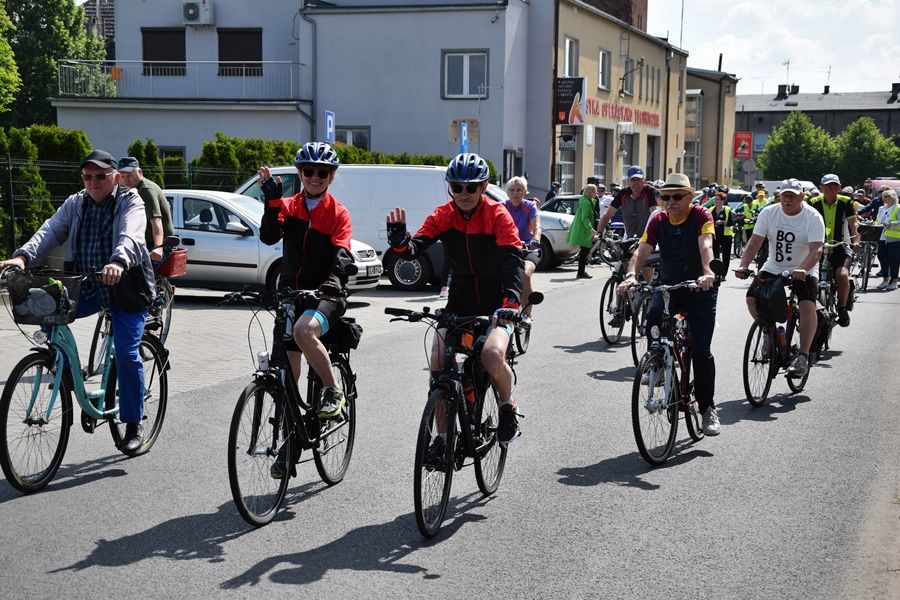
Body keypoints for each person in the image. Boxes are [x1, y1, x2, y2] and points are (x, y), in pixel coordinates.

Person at [0, 150, 154, 453]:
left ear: (116, 177)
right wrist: (21, 257)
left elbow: (131, 235)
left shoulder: (130, 201)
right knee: (46, 308)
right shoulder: (76, 202)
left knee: (125, 352)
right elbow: (50, 231)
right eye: (88, 176)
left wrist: (119, 261)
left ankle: (133, 423)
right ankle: (62, 365)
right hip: (88, 286)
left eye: (100, 176)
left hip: (126, 288)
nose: (93, 182)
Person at [386, 153, 525, 446]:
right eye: (457, 187)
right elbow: (416, 247)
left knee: (491, 355)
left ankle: (508, 405)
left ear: (484, 186)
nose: (463, 194)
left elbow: (513, 262)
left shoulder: (498, 215)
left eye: (471, 188)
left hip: (497, 303)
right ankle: (444, 437)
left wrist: (510, 305)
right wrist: (400, 243)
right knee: (438, 361)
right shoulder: (443, 215)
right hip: (459, 302)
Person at [257, 142, 354, 440]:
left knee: (303, 331)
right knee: (286, 374)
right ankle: (288, 444)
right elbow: (269, 235)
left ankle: (332, 390)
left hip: (327, 296)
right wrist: (272, 203)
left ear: (331, 176)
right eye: (309, 171)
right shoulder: (290, 206)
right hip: (291, 294)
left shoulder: (338, 213)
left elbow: (342, 254)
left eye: (322, 173)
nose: (315, 177)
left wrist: (333, 284)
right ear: (300, 173)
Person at [617, 172, 721, 436]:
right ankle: (660, 363)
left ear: (689, 197)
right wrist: (631, 275)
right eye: (665, 197)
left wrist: (708, 272)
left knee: (700, 351)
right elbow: (642, 250)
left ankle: (708, 408)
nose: (670, 201)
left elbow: (705, 245)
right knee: (652, 321)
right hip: (670, 286)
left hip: (700, 287)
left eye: (676, 196)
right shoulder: (659, 219)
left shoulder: (701, 216)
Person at [735, 178, 825, 377]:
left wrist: (802, 269)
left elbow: (816, 250)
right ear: (779, 196)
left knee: (807, 305)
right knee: (752, 298)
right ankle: (768, 333)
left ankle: (802, 356)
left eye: (793, 195)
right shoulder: (769, 212)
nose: (788, 199)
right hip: (774, 266)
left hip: (804, 268)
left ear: (802, 196)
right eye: (785, 195)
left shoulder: (812, 217)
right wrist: (743, 265)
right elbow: (755, 242)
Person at [809, 173, 859, 327]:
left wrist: (856, 241)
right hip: (817, 247)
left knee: (842, 274)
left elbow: (853, 224)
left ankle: (842, 308)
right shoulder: (812, 202)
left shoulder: (846, 202)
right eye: (827, 186)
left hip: (840, 247)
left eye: (834, 185)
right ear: (821, 188)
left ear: (839, 187)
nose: (830, 188)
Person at [116, 157, 175, 267]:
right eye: (122, 177)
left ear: (140, 172)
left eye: (129, 176)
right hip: (146, 243)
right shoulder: (133, 190)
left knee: (139, 276)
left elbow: (156, 221)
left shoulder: (145, 190)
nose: (125, 180)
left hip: (159, 244)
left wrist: (158, 248)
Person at [502, 176, 541, 319]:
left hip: (528, 248)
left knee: (525, 274)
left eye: (519, 190)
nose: (515, 193)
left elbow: (537, 226)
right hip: (509, 248)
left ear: (525, 192)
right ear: (507, 192)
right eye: (512, 190)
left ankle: (526, 315)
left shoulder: (530, 206)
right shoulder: (502, 206)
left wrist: (535, 239)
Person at [597, 165, 658, 238]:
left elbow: (654, 215)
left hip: (648, 239)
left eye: (638, 179)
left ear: (644, 181)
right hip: (629, 238)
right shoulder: (623, 193)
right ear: (628, 182)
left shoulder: (650, 191)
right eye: (633, 180)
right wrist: (599, 234)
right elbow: (606, 216)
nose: (636, 183)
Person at [567, 183, 598, 279]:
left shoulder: (587, 201)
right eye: (595, 191)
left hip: (584, 230)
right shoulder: (586, 202)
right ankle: (581, 273)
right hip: (584, 230)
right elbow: (584, 218)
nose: (596, 193)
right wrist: (591, 229)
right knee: (584, 252)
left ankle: (581, 272)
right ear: (591, 192)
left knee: (584, 252)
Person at [874, 188, 900, 290]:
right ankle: (885, 279)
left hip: (894, 238)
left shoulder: (898, 208)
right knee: (882, 257)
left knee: (894, 260)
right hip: (881, 237)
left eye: (887, 196)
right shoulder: (881, 208)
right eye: (884, 196)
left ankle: (894, 280)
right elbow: (877, 220)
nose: (885, 199)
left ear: (893, 198)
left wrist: (892, 223)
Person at [711, 189, 734, 277]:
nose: (716, 201)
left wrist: (723, 222)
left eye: (718, 199)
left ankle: (724, 274)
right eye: (715, 199)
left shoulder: (727, 210)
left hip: (726, 235)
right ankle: (716, 273)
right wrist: (714, 223)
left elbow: (731, 222)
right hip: (715, 234)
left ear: (722, 200)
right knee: (715, 254)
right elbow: (707, 222)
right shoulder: (711, 209)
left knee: (726, 255)